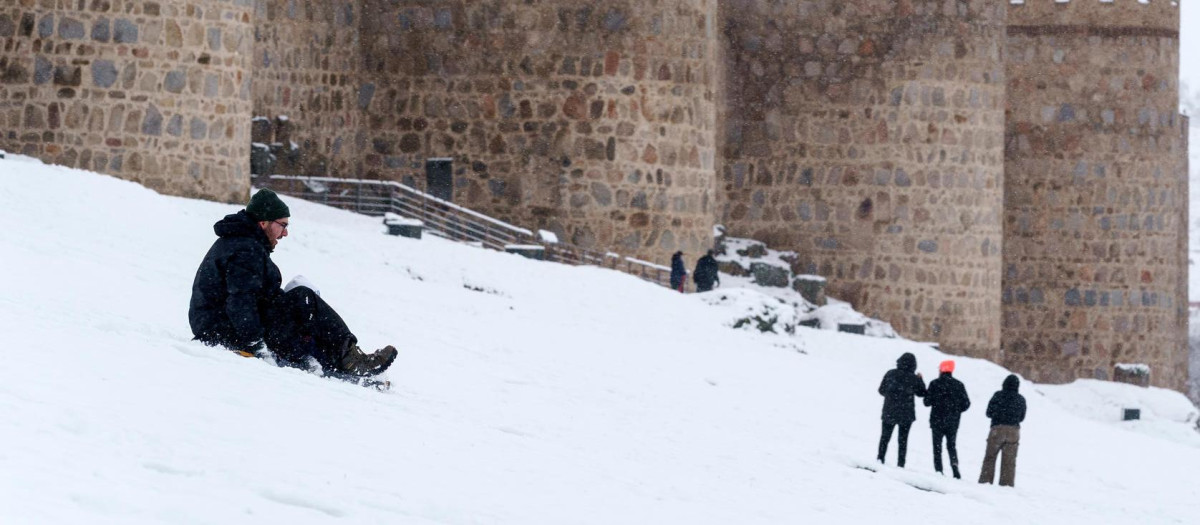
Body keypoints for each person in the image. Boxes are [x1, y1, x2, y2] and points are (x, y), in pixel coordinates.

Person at [189, 189, 397, 377]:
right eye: (283, 225)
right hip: (222, 331)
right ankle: (347, 360)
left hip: (223, 326)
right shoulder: (244, 250)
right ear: (263, 223)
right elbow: (241, 301)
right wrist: (255, 346)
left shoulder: (245, 244)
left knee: (300, 300)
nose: (285, 233)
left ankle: (336, 359)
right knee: (303, 298)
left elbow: (256, 296)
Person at [877, 352, 926, 467]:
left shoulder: (890, 373)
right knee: (903, 441)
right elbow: (922, 393)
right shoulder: (914, 378)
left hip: (889, 411)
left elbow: (881, 390)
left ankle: (880, 458)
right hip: (906, 414)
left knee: (885, 437)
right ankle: (901, 463)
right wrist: (920, 380)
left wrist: (891, 396)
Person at [924, 360, 970, 478]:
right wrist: (956, 410)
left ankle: (939, 470)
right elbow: (966, 404)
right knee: (951, 445)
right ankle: (954, 466)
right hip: (953, 422)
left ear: (941, 369)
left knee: (937, 446)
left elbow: (926, 402)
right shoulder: (959, 385)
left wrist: (935, 401)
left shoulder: (934, 384)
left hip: (936, 420)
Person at [979, 374, 1027, 487]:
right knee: (1009, 462)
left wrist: (999, 415)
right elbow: (1022, 417)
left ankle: (985, 482)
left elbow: (988, 413)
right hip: (1013, 431)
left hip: (997, 429)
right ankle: (1006, 485)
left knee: (990, 458)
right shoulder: (1021, 399)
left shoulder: (998, 395)